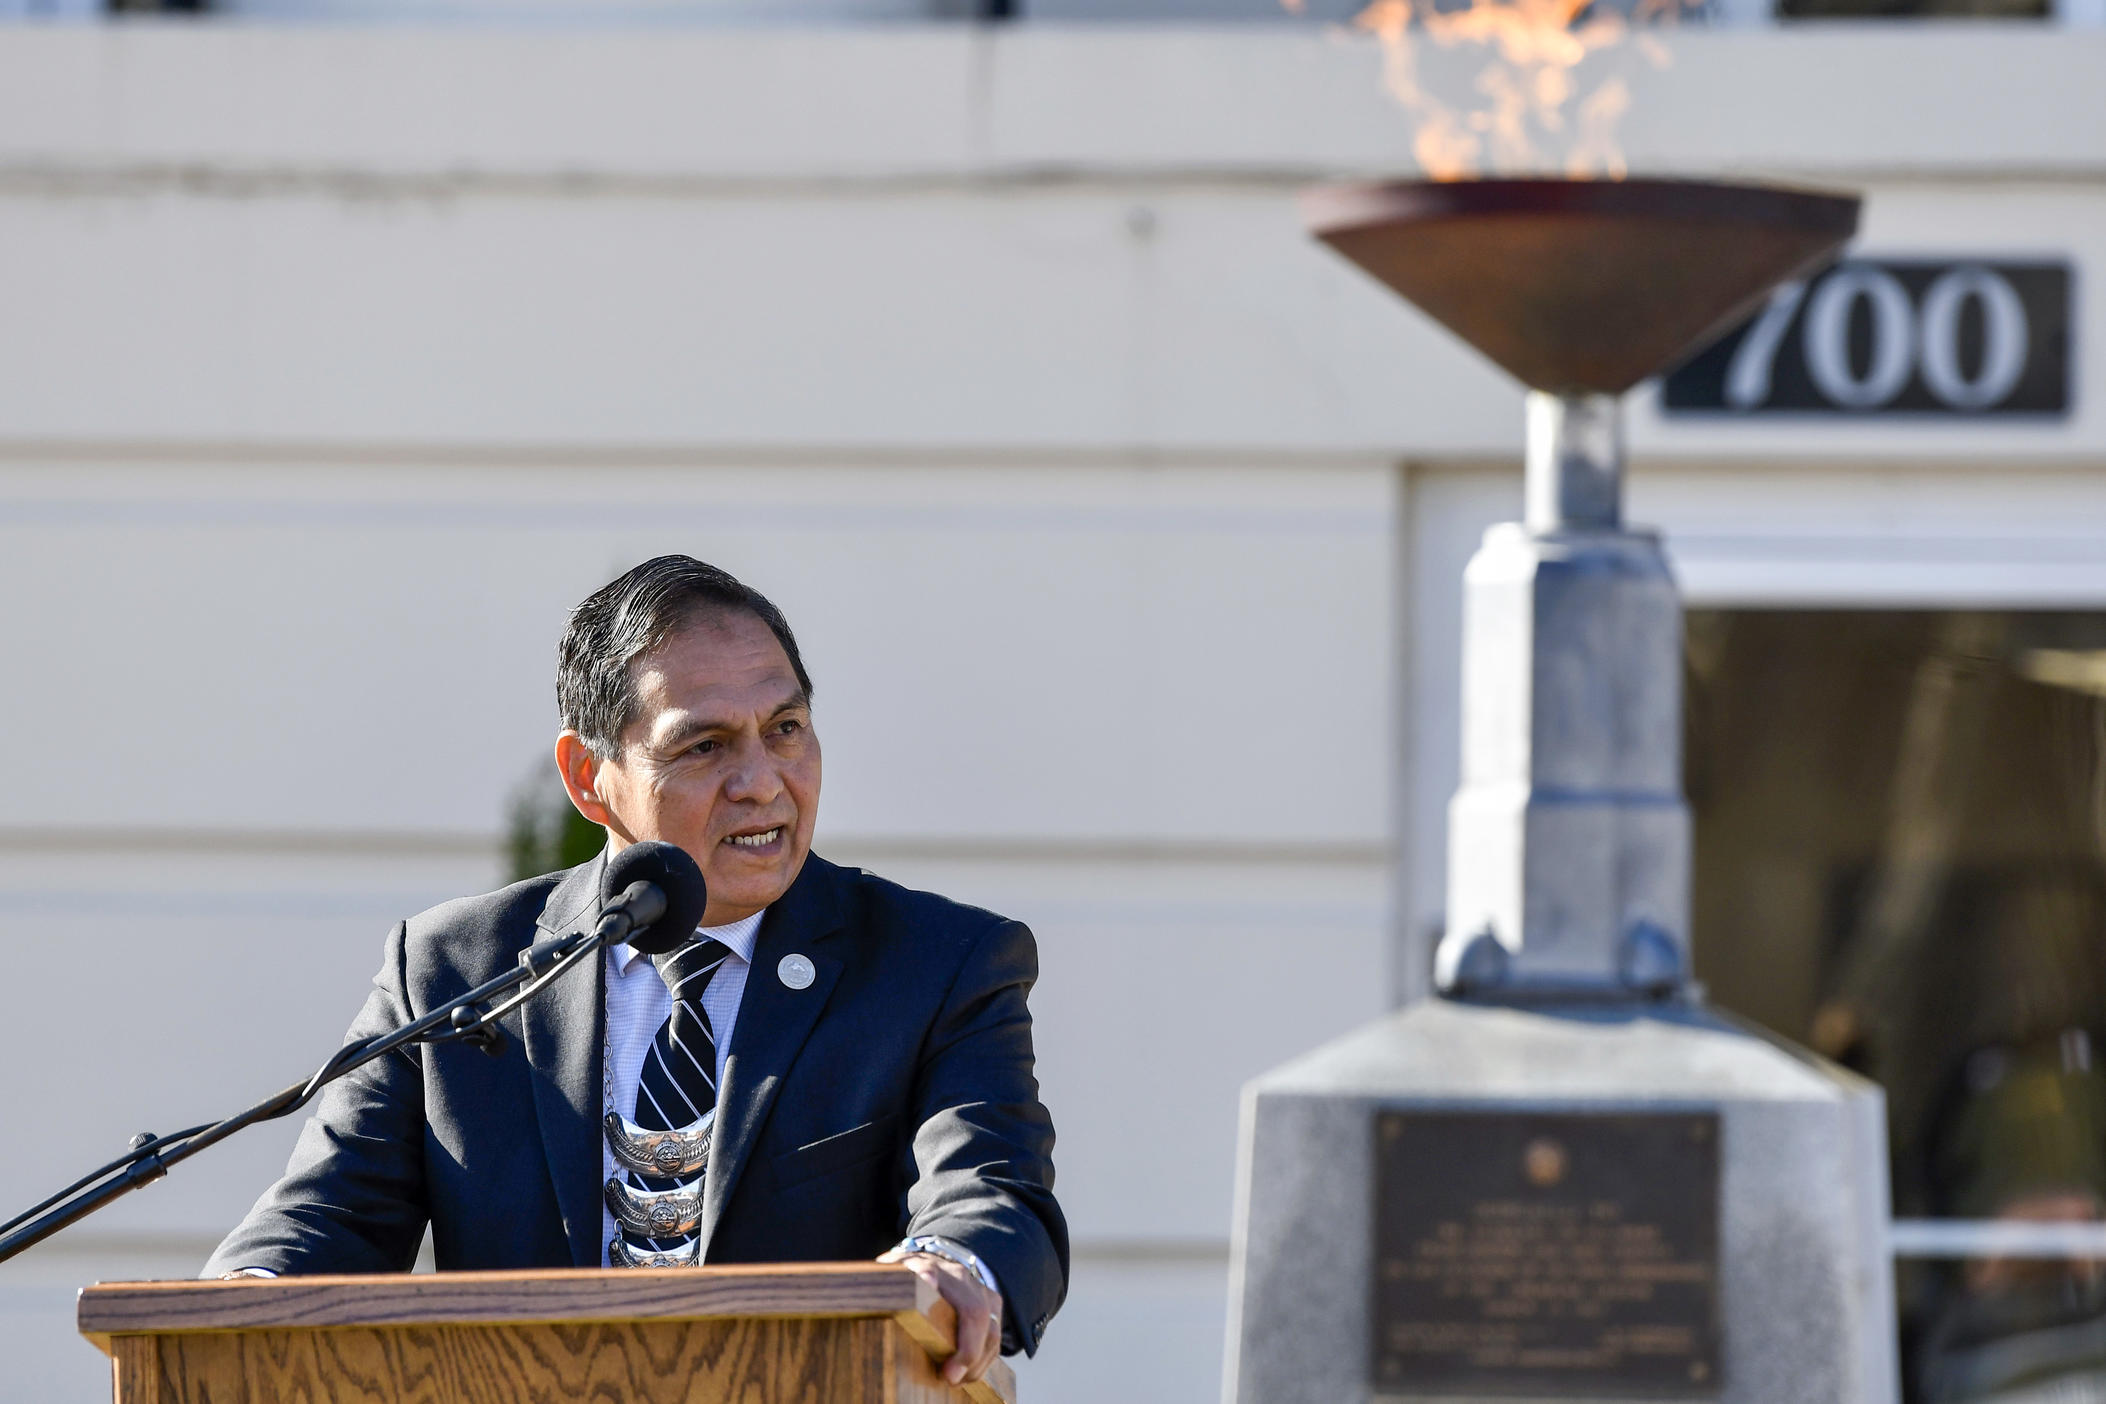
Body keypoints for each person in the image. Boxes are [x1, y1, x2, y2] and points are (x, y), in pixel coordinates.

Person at [206, 555, 1068, 1383]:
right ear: (590, 778)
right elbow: (327, 1218)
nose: (763, 782)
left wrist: (951, 1263)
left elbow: (995, 1194)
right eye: (705, 747)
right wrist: (241, 1304)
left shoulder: (938, 964)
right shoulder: (456, 974)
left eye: (786, 730)